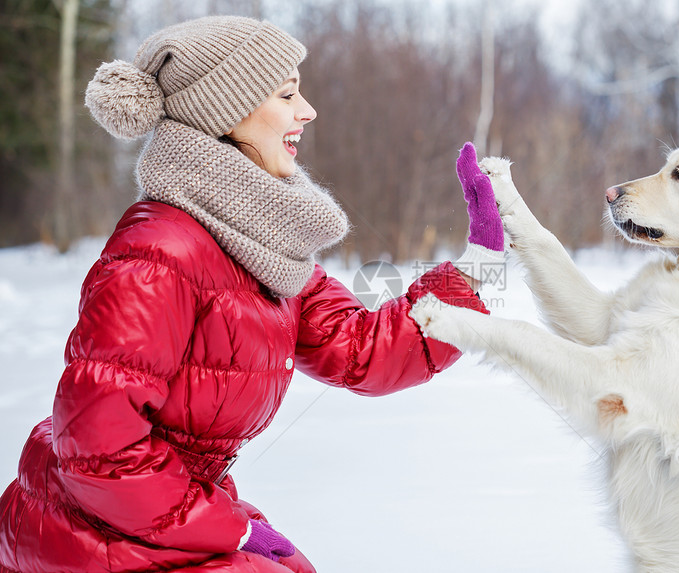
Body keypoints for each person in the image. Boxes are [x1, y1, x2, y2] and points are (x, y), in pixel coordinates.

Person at [0, 15, 504, 573]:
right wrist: (233, 528)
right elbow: (97, 452)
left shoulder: (263, 245)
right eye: (286, 93)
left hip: (147, 513)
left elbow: (362, 348)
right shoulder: (157, 253)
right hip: (80, 533)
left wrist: (478, 266)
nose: (307, 110)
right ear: (228, 115)